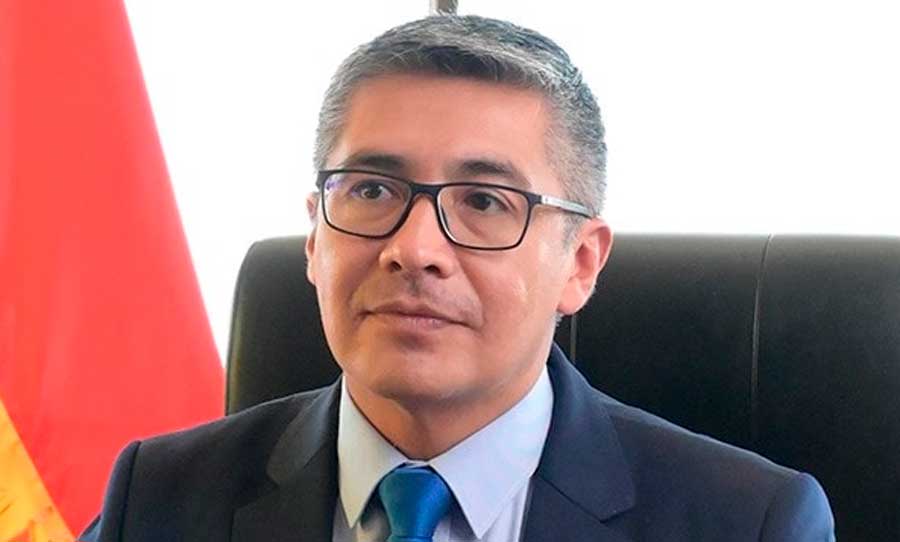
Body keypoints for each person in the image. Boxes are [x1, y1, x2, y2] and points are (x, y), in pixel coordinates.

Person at [82, 14, 835, 542]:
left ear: (580, 263)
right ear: (315, 237)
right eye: (372, 190)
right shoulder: (159, 499)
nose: (414, 249)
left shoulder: (748, 523)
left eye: (483, 202)